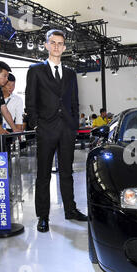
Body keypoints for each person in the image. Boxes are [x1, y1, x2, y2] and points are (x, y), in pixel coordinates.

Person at [25, 29, 87, 233]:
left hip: (67, 129)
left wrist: (74, 125)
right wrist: (36, 125)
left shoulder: (70, 73)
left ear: (65, 47)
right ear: (45, 45)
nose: (56, 46)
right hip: (46, 129)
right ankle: (43, 216)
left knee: (67, 172)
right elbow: (30, 101)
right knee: (43, 175)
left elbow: (74, 100)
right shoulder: (35, 70)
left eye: (60, 43)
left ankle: (71, 209)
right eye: (53, 42)